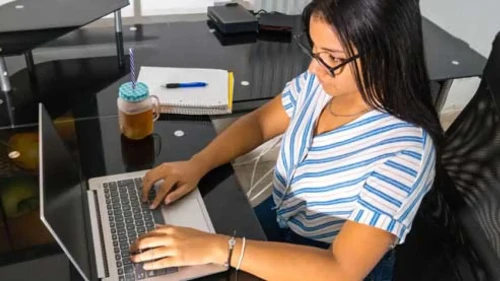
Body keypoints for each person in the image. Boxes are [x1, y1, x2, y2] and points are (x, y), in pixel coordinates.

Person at [129, 0, 444, 280]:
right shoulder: (319, 84)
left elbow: (340, 269)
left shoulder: (406, 152)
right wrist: (198, 164)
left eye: (332, 57)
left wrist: (221, 248)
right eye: (314, 50)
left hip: (324, 259)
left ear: (385, 55)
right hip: (284, 217)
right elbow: (261, 123)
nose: (313, 68)